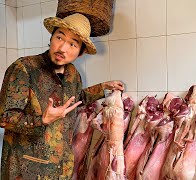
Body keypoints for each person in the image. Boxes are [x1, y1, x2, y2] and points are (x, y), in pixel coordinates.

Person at [0, 13, 124, 179]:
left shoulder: (73, 74)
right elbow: (5, 118)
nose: (62, 48)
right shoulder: (24, 68)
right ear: (51, 38)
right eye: (60, 37)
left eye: (73, 44)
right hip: (26, 170)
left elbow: (75, 98)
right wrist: (42, 120)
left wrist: (103, 88)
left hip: (61, 169)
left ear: (80, 53)